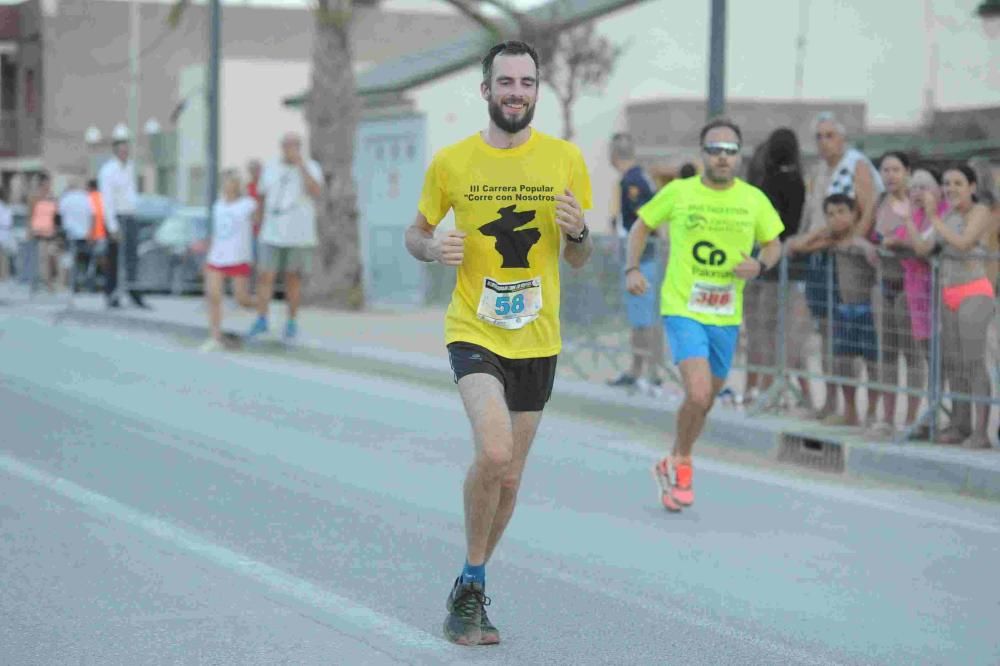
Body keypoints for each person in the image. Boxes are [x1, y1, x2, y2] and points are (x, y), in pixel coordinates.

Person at [404, 40, 592, 646]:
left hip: (538, 337)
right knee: (493, 452)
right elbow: (418, 231)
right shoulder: (453, 163)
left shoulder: (565, 159)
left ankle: (471, 582)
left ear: (537, 91)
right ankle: (471, 589)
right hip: (475, 329)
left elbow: (581, 258)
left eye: (527, 83)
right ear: (486, 91)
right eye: (505, 82)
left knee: (509, 477)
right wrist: (433, 249)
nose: (516, 92)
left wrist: (581, 231)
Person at [626, 118, 783, 512]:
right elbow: (640, 227)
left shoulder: (753, 199)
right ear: (703, 154)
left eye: (730, 151)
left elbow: (774, 244)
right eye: (715, 149)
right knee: (696, 392)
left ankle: (677, 456)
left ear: (739, 157)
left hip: (726, 315)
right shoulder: (679, 193)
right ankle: (682, 464)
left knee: (706, 400)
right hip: (682, 308)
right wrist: (632, 269)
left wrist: (760, 266)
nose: (723, 157)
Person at [798, 112, 884, 420]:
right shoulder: (820, 170)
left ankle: (866, 410)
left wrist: (851, 245)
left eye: (829, 135)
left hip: (849, 262)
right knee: (827, 333)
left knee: (861, 337)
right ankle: (833, 402)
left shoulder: (856, 164)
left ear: (842, 138)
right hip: (821, 256)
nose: (823, 142)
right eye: (819, 137)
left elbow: (869, 206)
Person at [907, 165, 994, 449]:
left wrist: (933, 216)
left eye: (958, 183)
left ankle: (981, 432)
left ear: (971, 187)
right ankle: (960, 425)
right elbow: (923, 249)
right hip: (949, 294)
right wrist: (909, 217)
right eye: (946, 183)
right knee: (955, 365)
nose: (951, 188)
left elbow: (964, 244)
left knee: (974, 364)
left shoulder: (979, 212)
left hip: (974, 292)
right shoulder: (947, 215)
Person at [788, 194, 881, 427]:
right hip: (842, 309)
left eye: (841, 212)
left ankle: (871, 413)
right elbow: (797, 246)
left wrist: (862, 243)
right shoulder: (832, 242)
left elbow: (879, 263)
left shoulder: (865, 242)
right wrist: (821, 232)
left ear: (853, 214)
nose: (836, 218)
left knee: (872, 363)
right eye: (830, 214)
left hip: (868, 309)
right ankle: (850, 412)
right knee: (842, 362)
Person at [742, 128, 808, 406]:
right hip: (768, 265)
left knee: (767, 331)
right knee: (769, 331)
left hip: (771, 266)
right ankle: (764, 387)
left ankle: (765, 388)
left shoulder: (773, 183)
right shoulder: (796, 182)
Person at [881, 167, 943, 439]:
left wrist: (903, 237)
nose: (917, 193)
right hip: (914, 291)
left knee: (941, 360)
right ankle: (930, 417)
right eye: (914, 187)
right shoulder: (915, 215)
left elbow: (921, 248)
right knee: (927, 356)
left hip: (935, 293)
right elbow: (900, 243)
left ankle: (939, 416)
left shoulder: (938, 215)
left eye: (924, 187)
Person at [247, 133, 323, 342]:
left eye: (295, 146)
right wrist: (258, 224)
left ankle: (291, 322)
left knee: (293, 279)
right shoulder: (270, 168)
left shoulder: (312, 167)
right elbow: (261, 197)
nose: (291, 149)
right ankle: (262, 319)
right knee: (265, 276)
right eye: (287, 145)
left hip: (299, 235)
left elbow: (316, 191)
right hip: (271, 233)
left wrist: (301, 166)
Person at [606, 132, 665, 394]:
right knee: (639, 319)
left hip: (641, 260)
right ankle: (638, 369)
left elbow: (647, 220)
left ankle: (650, 373)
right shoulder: (641, 176)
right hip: (641, 259)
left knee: (645, 320)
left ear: (613, 154)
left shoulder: (632, 181)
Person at [200, 170, 257, 352]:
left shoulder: (248, 204)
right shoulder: (218, 205)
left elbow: (258, 221)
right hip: (217, 257)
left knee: (242, 299)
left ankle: (262, 310)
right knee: (213, 295)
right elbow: (217, 232)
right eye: (224, 181)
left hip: (238, 257)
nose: (227, 185)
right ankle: (215, 336)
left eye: (231, 181)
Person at [98, 135, 149, 308]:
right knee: (114, 258)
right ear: (115, 151)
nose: (125, 153)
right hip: (117, 217)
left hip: (130, 215)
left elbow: (131, 193)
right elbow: (107, 200)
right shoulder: (108, 170)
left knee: (132, 258)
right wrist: (112, 226)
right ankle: (112, 294)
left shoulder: (130, 167)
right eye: (122, 150)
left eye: (127, 150)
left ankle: (133, 291)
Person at [58, 177, 94, 291]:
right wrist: (90, 233)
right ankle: (81, 282)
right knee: (82, 261)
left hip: (69, 234)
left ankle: (67, 283)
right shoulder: (86, 198)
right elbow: (92, 216)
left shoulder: (65, 198)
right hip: (84, 235)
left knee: (68, 259)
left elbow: (60, 215)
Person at [27, 173, 61, 292]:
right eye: (47, 183)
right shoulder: (34, 198)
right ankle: (47, 283)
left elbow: (56, 216)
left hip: (51, 232)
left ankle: (51, 280)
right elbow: (30, 215)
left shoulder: (53, 198)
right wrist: (30, 230)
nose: (49, 185)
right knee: (42, 259)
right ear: (42, 183)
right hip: (39, 232)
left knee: (53, 257)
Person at [0, 186, 13, 281]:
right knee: (4, 256)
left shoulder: (4, 206)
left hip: (2, 231)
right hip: (5, 233)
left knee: (2, 256)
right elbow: (9, 222)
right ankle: (5, 275)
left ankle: (3, 275)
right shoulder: (6, 206)